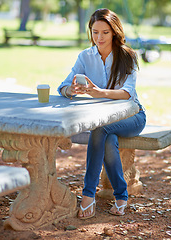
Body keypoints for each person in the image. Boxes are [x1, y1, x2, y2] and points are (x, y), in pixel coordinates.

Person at [57, 8, 146, 219]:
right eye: (95, 32)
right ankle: (121, 195)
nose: (99, 37)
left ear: (114, 32)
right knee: (106, 138)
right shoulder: (85, 57)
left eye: (105, 32)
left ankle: (88, 196)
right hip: (104, 121)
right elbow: (62, 86)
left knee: (100, 130)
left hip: (132, 116)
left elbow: (127, 93)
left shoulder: (128, 56)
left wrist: (98, 93)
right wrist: (72, 90)